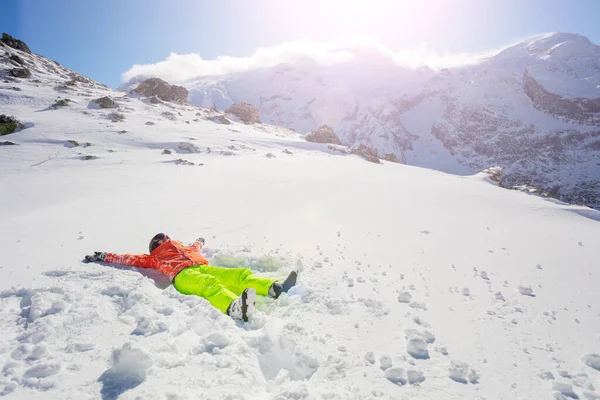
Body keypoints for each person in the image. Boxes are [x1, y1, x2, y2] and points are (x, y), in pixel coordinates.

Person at [83, 233, 297, 322]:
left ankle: (274, 288)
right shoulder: (154, 257)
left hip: (202, 266)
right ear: (156, 246)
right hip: (182, 275)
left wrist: (199, 241)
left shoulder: (184, 248)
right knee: (209, 285)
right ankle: (234, 308)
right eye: (161, 239)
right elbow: (129, 258)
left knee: (238, 274)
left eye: (165, 237)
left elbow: (195, 246)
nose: (165, 239)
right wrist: (103, 256)